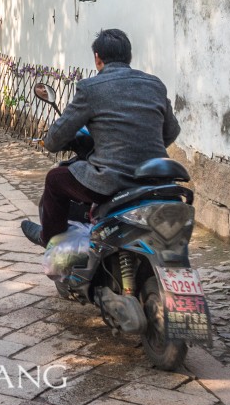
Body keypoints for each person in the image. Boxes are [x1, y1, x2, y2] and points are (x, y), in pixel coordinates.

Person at [21, 28, 180, 248]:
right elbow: (172, 131)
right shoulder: (155, 84)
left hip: (112, 180)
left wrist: (50, 142)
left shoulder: (90, 88)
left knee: (55, 179)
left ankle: (48, 238)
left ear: (97, 58)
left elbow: (55, 139)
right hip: (156, 177)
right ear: (129, 56)